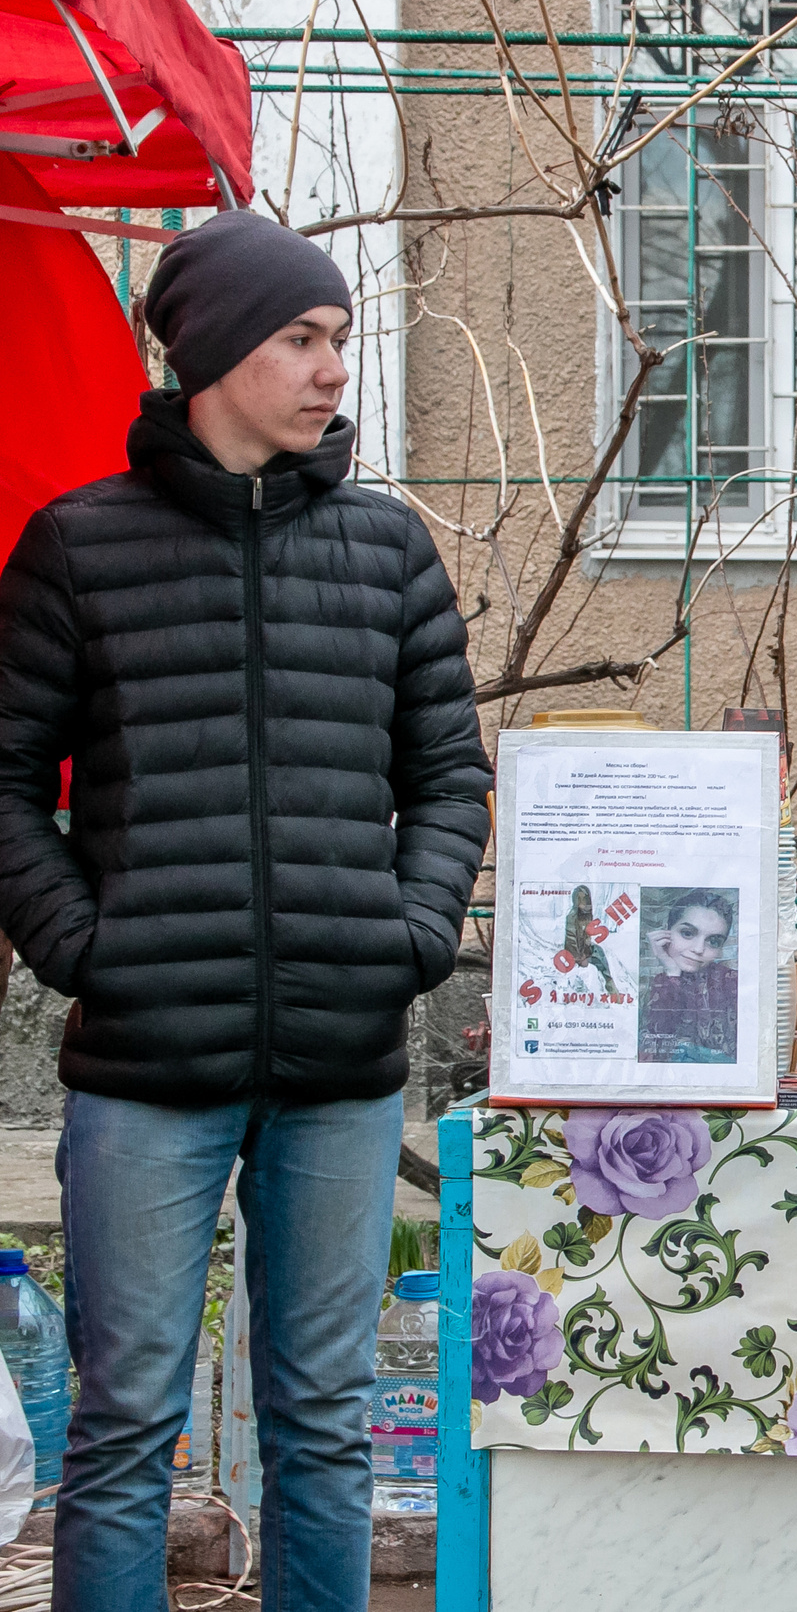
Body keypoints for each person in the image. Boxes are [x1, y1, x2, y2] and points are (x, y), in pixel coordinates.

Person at [0, 211, 490, 1610]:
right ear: (212, 352)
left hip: (340, 1065)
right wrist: (87, 947)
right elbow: (7, 781)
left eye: (340, 337)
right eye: (304, 337)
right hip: (145, 1069)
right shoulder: (78, 550)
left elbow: (451, 771)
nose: (336, 367)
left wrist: (409, 932)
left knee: (324, 1427)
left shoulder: (388, 553)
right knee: (125, 1426)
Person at [641, 888, 740, 1063]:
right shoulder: (656, 984)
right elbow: (654, 1050)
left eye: (713, 941)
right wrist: (672, 972)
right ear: (667, 931)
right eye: (687, 933)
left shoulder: (733, 983)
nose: (698, 949)